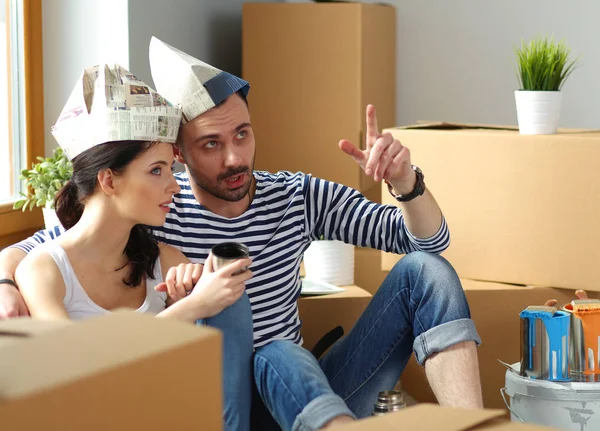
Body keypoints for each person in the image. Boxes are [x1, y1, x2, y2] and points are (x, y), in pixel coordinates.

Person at [0, 39, 483, 430]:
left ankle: (474, 426)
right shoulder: (152, 211)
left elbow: (426, 243)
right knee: (267, 343)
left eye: (243, 135)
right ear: (180, 155)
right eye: (211, 144)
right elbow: (37, 253)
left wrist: (406, 183)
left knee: (429, 272)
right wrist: (5, 285)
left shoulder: (297, 195)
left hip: (306, 394)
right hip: (218, 406)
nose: (234, 158)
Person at [9, 64, 254, 431]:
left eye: (171, 170)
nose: (173, 186)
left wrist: (192, 290)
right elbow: (74, 373)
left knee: (229, 295)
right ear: (108, 180)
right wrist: (191, 307)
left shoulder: (165, 260)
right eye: (157, 171)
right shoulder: (44, 270)